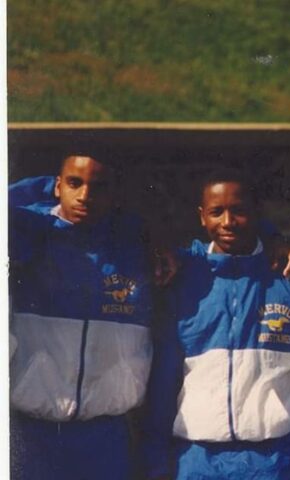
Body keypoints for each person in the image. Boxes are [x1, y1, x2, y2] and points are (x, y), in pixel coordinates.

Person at [142, 169, 290, 479]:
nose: (227, 222)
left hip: (277, 460)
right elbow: (163, 383)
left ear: (257, 212)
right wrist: (156, 462)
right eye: (216, 212)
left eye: (239, 211)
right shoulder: (182, 277)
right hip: (198, 460)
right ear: (201, 216)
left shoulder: (289, 275)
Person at [10, 153, 153, 479]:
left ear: (115, 195)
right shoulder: (32, 230)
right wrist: (45, 186)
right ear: (57, 185)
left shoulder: (132, 244)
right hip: (32, 432)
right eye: (74, 183)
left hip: (105, 437)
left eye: (99, 187)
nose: (85, 196)